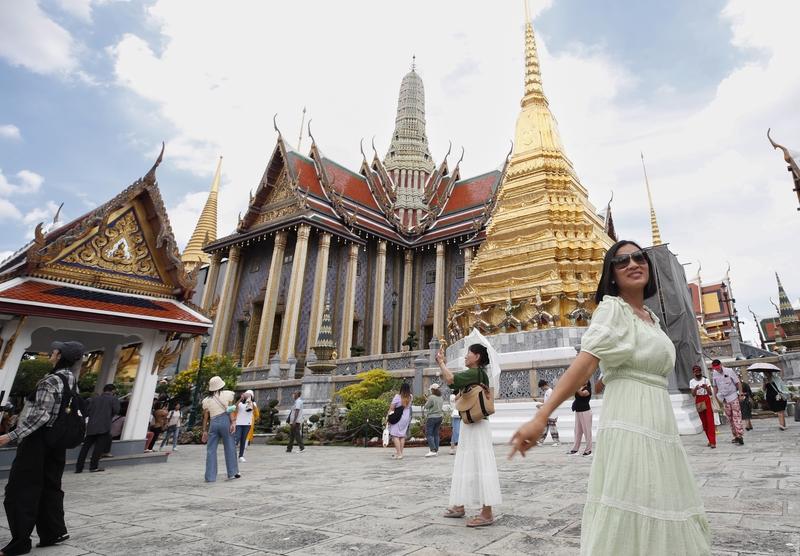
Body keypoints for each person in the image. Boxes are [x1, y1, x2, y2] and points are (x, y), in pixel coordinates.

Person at [509, 240, 711, 555]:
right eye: (622, 261)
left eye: (639, 257)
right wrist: (541, 415)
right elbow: (585, 362)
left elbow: (615, 365)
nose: (633, 264)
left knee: (661, 497)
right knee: (634, 499)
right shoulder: (612, 308)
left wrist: (604, 382)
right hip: (631, 422)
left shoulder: (651, 319)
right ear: (612, 276)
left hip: (659, 426)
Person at [0, 340, 85, 556]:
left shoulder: (50, 380)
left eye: (54, 351)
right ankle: (53, 532)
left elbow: (41, 415)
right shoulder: (71, 380)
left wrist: (11, 436)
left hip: (37, 441)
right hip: (57, 443)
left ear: (60, 356)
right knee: (50, 486)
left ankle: (20, 542)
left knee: (20, 490)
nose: (51, 353)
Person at [437, 339, 502, 528]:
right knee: (467, 463)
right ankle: (459, 504)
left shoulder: (475, 373)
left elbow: (451, 380)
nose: (465, 356)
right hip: (471, 423)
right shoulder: (477, 374)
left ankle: (487, 512)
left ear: (477, 357)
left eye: (468, 354)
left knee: (480, 464)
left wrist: (441, 362)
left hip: (477, 424)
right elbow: (454, 386)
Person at [201, 376, 240, 482]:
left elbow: (205, 417)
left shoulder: (206, 400)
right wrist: (233, 422)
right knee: (230, 447)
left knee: (211, 450)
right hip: (225, 421)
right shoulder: (228, 394)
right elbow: (230, 410)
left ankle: (210, 477)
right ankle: (232, 473)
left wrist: (204, 430)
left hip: (213, 423)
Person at [75, 384, 120, 473]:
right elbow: (116, 410)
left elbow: (87, 411)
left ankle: (79, 468)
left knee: (85, 448)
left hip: (91, 426)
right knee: (98, 448)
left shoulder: (94, 399)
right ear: (113, 391)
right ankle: (93, 467)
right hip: (104, 426)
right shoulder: (113, 399)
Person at [710, 359, 745, 445]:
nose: (717, 369)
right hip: (724, 398)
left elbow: (738, 383)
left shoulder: (729, 371)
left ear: (721, 364)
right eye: (715, 368)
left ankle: (740, 435)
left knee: (736, 416)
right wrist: (715, 397)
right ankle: (735, 436)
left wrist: (740, 393)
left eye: (718, 367)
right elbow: (715, 386)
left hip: (733, 396)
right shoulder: (714, 373)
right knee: (730, 418)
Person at [689, 365, 716, 448]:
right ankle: (709, 439)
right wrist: (695, 389)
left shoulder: (705, 380)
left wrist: (706, 388)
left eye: (699, 371)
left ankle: (713, 442)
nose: (698, 373)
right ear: (693, 373)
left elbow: (710, 393)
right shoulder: (692, 382)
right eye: (696, 372)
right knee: (704, 422)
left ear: (701, 372)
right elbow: (693, 395)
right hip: (699, 400)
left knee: (710, 420)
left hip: (706, 398)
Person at [388, 382, 412, 459]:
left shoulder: (397, 397)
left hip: (398, 417)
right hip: (406, 417)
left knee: (395, 435)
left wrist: (388, 417)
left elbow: (391, 408)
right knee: (402, 435)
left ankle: (399, 453)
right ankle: (400, 453)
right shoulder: (410, 396)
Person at [569, 380, 592, 456]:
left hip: (585, 412)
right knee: (577, 431)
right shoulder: (579, 387)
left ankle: (588, 450)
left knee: (587, 431)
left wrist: (576, 387)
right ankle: (575, 449)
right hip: (578, 411)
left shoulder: (588, 389)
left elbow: (582, 394)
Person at [234, 390, 259, 461]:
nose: (247, 396)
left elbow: (256, 412)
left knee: (243, 439)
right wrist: (240, 399)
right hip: (239, 423)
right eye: (247, 395)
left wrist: (250, 401)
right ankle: (232, 453)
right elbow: (234, 407)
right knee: (237, 437)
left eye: (249, 395)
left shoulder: (253, 403)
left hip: (247, 424)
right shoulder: (240, 403)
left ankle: (241, 456)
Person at [537, 379, 560, 447]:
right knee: (545, 427)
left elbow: (550, 402)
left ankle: (557, 441)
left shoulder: (550, 391)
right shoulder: (547, 391)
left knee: (552, 428)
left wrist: (541, 405)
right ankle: (541, 441)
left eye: (541, 387)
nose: (542, 389)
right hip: (548, 412)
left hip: (552, 412)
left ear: (544, 385)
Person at [424, 383, 444, 457]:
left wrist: (426, 400)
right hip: (439, 417)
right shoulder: (440, 397)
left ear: (432, 389)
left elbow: (426, 406)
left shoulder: (431, 397)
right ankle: (436, 450)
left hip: (432, 417)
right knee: (436, 434)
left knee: (429, 434)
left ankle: (432, 450)